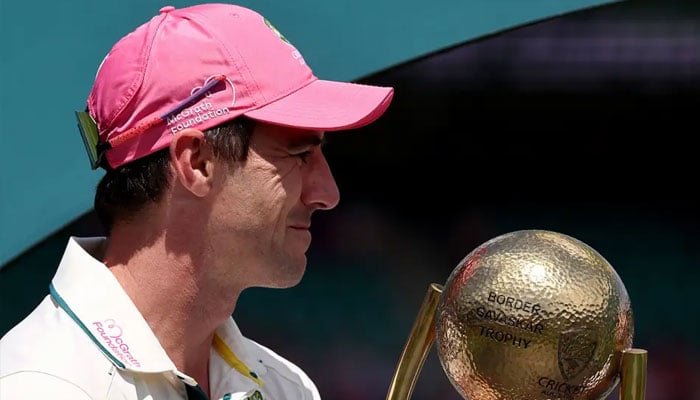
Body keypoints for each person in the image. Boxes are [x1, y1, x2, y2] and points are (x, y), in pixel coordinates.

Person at [0, 3, 393, 399]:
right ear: (197, 162)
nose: (328, 193)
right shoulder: (38, 386)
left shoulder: (289, 387)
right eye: (300, 155)